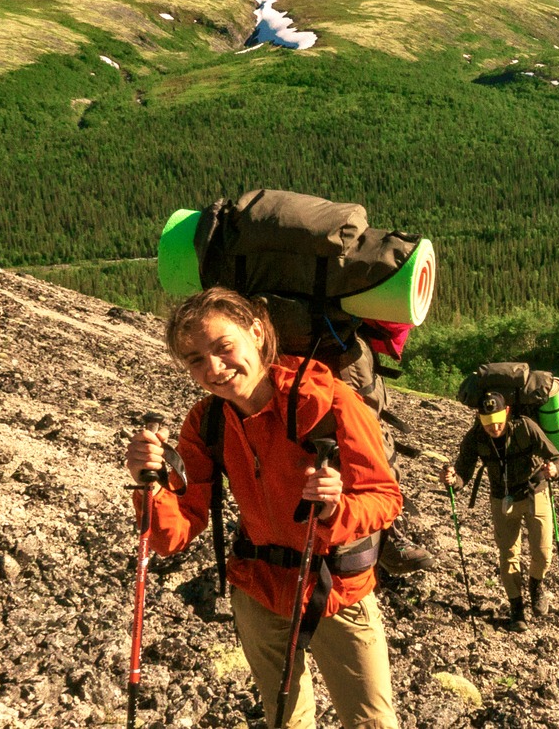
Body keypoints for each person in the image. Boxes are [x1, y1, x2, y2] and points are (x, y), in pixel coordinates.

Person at [126, 287, 401, 729]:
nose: (213, 368)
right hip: (258, 590)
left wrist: (335, 511)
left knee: (371, 724)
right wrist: (150, 487)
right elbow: (172, 535)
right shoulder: (207, 422)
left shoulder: (331, 403)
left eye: (223, 347)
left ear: (256, 332)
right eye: (195, 359)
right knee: (284, 722)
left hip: (337, 590)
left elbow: (385, 498)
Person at [439, 390, 559, 631]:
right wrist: (451, 479)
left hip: (534, 491)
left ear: (507, 411)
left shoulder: (526, 427)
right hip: (501, 498)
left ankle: (536, 585)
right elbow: (462, 475)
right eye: (488, 423)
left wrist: (554, 470)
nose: (494, 427)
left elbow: (558, 457)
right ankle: (517, 608)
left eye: (498, 420)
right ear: (478, 417)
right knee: (508, 555)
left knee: (542, 554)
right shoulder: (475, 436)